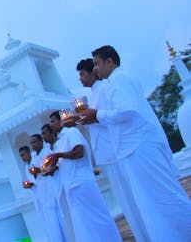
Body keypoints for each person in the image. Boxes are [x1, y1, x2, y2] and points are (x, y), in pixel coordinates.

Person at [80, 45, 191, 241]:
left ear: (110, 62)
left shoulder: (120, 79)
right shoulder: (115, 82)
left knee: (162, 197)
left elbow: (127, 111)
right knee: (150, 202)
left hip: (139, 146)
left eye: (97, 64)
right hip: (131, 149)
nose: (95, 69)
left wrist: (98, 115)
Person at [76, 58, 148, 241]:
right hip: (107, 154)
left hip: (115, 151)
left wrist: (92, 116)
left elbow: (110, 118)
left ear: (93, 72)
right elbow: (97, 119)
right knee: (127, 204)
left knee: (133, 200)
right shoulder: (93, 94)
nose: (80, 78)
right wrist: (81, 118)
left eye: (82, 74)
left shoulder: (104, 89)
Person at [47, 111, 122, 242]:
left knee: (96, 216)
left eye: (53, 121)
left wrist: (58, 155)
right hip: (71, 185)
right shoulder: (61, 140)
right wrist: (54, 166)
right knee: (84, 223)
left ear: (61, 121)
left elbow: (79, 152)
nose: (51, 125)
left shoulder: (71, 132)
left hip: (81, 182)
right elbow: (66, 162)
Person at [34, 128, 69, 242]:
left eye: (35, 141)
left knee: (63, 217)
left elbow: (56, 166)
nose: (33, 144)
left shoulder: (48, 152)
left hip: (56, 187)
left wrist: (42, 170)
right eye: (31, 143)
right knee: (52, 222)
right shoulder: (35, 157)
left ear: (40, 141)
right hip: (45, 192)